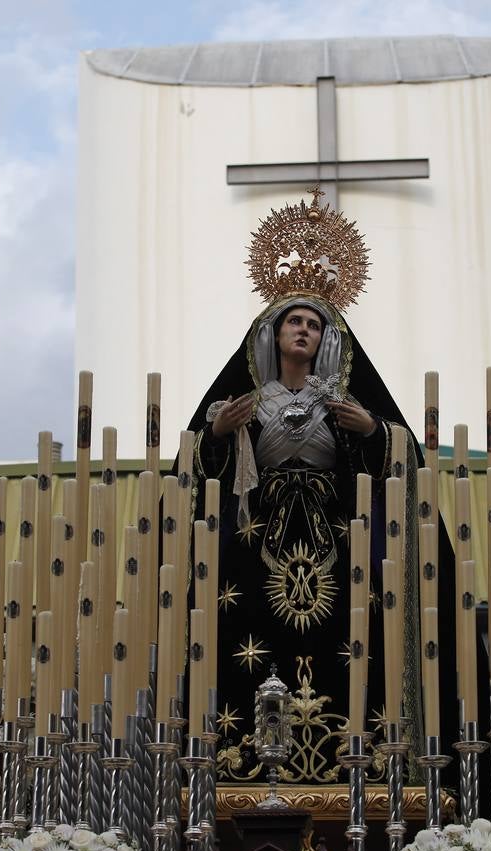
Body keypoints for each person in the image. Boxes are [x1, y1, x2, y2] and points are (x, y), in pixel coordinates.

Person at [182, 188, 456, 784]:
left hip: (339, 548)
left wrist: (375, 432)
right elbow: (193, 479)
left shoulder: (346, 404)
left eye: (312, 324)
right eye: (293, 322)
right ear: (273, 335)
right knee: (241, 629)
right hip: (257, 548)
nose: (302, 331)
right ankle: (233, 760)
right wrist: (222, 436)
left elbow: (404, 468)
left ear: (327, 340)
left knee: (356, 634)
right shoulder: (246, 404)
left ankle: (362, 761)